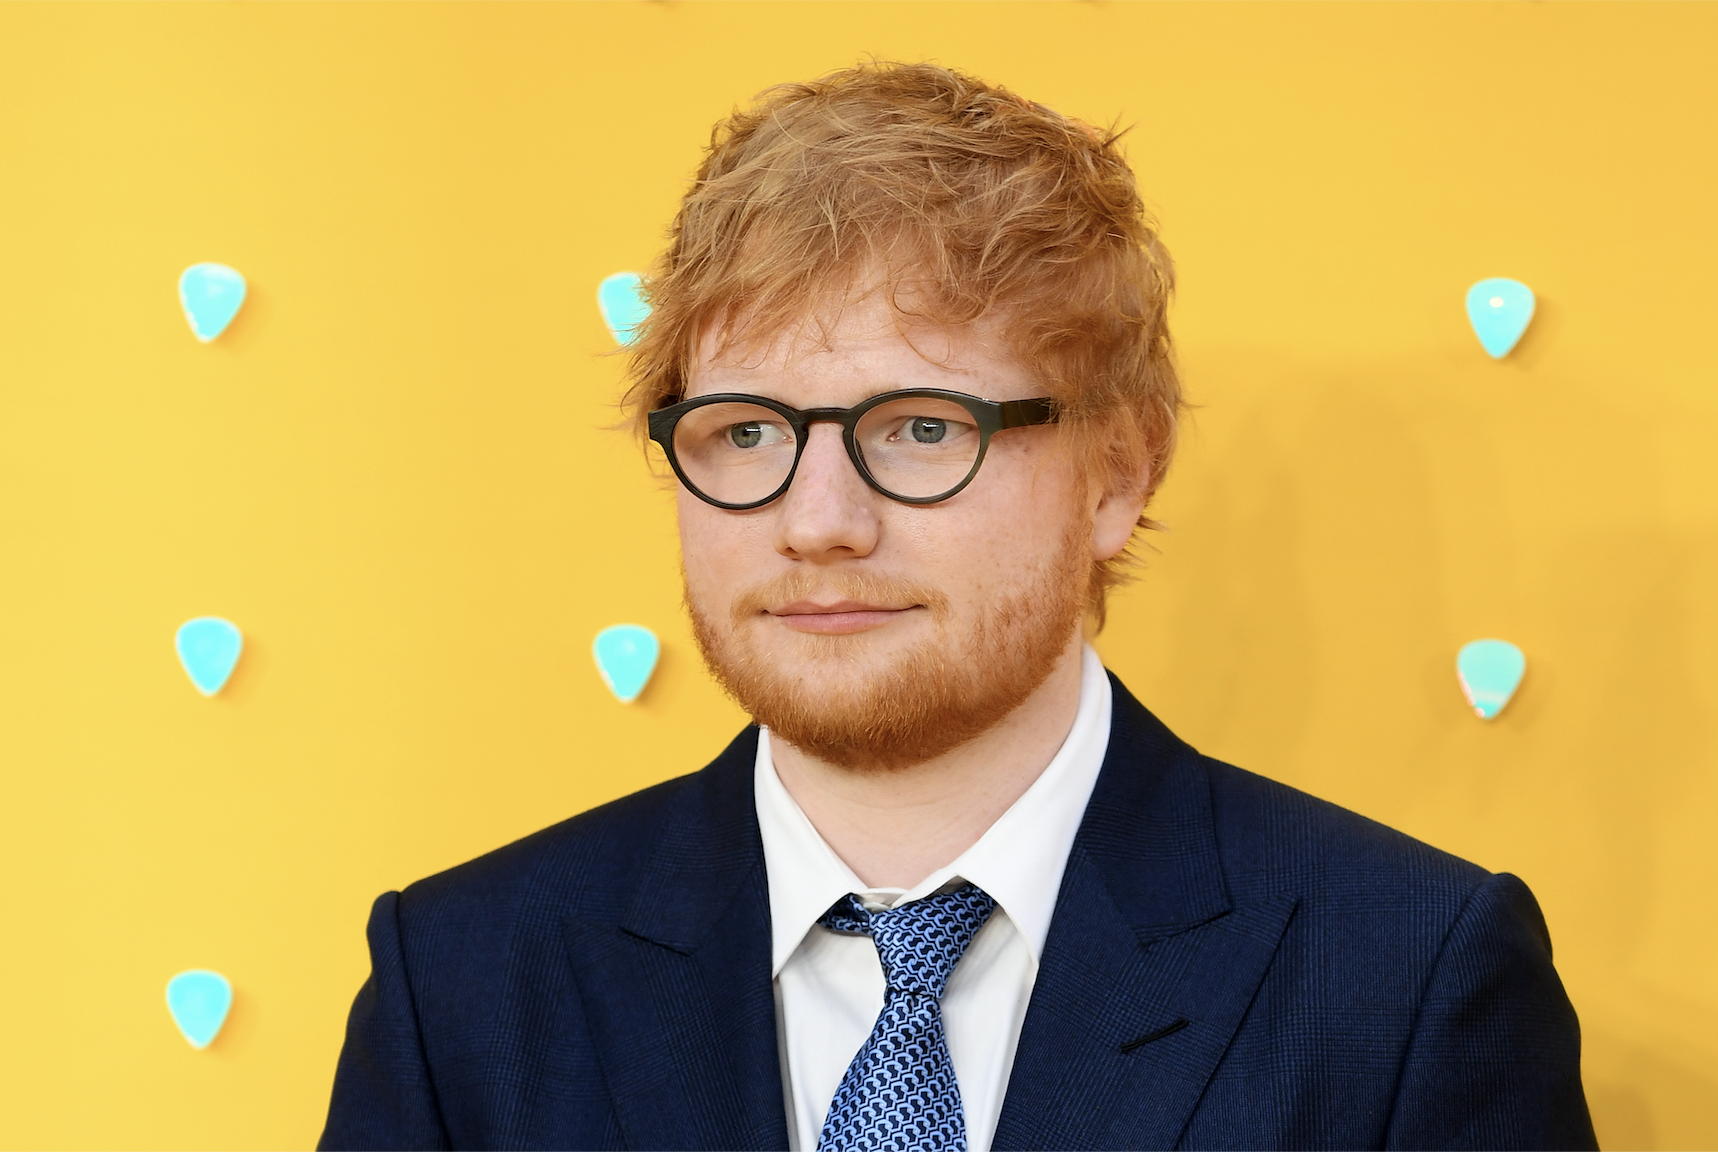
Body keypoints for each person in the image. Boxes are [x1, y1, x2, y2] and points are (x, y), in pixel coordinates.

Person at [319, 62, 1596, 1152]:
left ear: (1119, 470)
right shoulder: (460, 986)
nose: (816, 517)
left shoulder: (1409, 976)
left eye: (920, 428)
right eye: (747, 431)